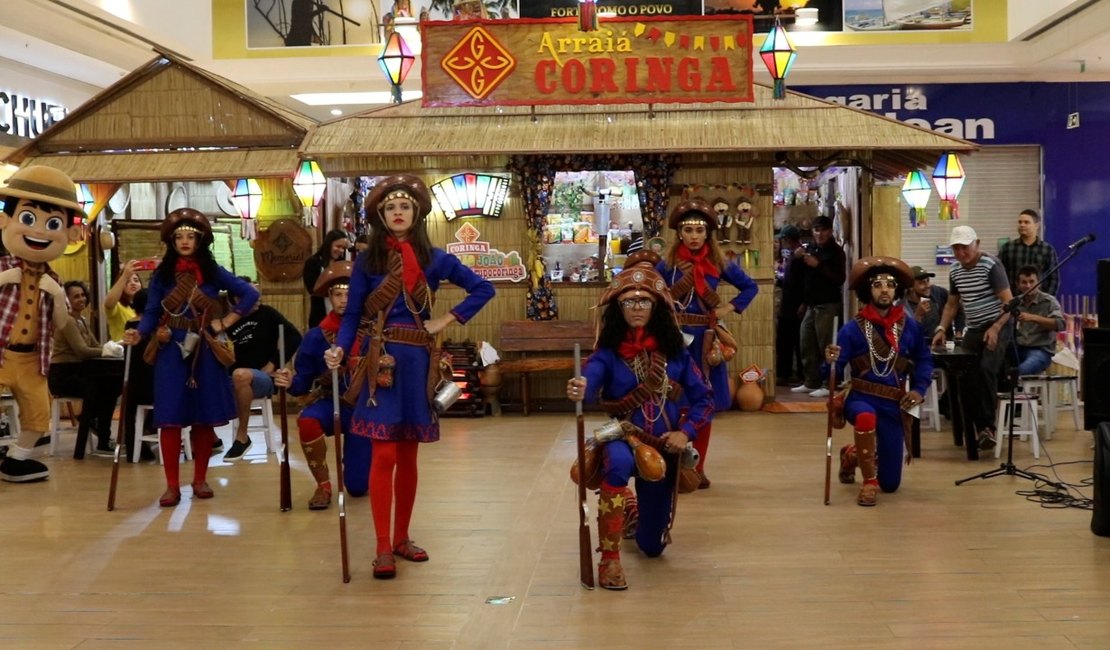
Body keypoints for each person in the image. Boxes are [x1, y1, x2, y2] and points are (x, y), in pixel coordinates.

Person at [324, 175, 494, 579]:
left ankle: (402, 537)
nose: (397, 213)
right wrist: (341, 350)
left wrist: (446, 320)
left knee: (408, 455)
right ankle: (383, 546)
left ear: (416, 214)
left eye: (404, 207)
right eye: (389, 209)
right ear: (381, 217)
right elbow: (352, 315)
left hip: (418, 361)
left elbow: (482, 289)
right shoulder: (368, 262)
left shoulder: (436, 258)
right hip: (380, 361)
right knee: (383, 454)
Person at [567, 251, 714, 589]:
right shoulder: (607, 351)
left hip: (663, 448)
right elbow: (590, 380)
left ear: (656, 308)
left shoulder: (676, 352)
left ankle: (633, 513)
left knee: (652, 547)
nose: (636, 307)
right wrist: (581, 386)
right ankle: (610, 560)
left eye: (643, 301)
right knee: (616, 465)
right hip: (622, 436)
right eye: (629, 301)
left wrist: (686, 432)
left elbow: (705, 398)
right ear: (619, 309)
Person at [123, 208, 260, 507]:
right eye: (179, 236)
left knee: (202, 419)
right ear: (171, 241)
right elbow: (151, 312)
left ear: (200, 240)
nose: (185, 241)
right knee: (170, 419)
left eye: (191, 236)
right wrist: (141, 334)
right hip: (170, 348)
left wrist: (225, 322)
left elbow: (249, 294)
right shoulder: (162, 275)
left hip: (204, 350)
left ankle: (200, 479)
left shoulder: (212, 271)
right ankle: (171, 486)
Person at [656, 199, 757, 489]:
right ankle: (674, 465)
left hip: (704, 341)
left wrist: (729, 308)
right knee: (673, 400)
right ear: (680, 233)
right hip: (674, 341)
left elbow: (750, 286)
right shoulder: (668, 265)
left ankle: (697, 467)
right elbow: (652, 291)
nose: (694, 235)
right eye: (688, 230)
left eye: (700, 230)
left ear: (708, 233)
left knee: (703, 404)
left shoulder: (719, 263)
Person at [0, 165, 85, 483]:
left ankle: (16, 461)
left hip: (33, 359)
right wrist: (4, 279)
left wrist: (58, 293)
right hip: (1, 351)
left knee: (37, 417)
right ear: (4, 221)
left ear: (70, 234)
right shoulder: (3, 266)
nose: (40, 231)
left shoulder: (54, 279)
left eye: (53, 224)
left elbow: (62, 322)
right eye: (27, 218)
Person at [825, 257, 933, 506]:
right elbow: (833, 372)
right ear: (868, 290)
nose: (884, 289)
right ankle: (868, 484)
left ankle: (852, 455)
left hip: (894, 405)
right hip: (861, 399)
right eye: (877, 284)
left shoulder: (910, 327)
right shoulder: (851, 329)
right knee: (865, 418)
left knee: (892, 484)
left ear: (897, 290)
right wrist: (830, 360)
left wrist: (918, 390)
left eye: (890, 284)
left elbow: (925, 359)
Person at [274, 260, 370, 509]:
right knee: (307, 420)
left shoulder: (374, 332)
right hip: (330, 402)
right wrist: (289, 381)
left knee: (357, 488)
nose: (344, 300)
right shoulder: (316, 336)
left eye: (350, 294)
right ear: (329, 297)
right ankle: (323, 486)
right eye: (338, 294)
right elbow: (302, 384)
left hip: (365, 410)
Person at [931, 225, 1014, 450]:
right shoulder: (955, 271)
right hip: (975, 328)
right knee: (963, 372)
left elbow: (1009, 303)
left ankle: (989, 427)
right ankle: (969, 425)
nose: (960, 253)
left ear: (976, 244)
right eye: (956, 248)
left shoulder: (991, 266)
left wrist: (996, 328)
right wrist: (941, 328)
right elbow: (951, 304)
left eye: (965, 247)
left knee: (987, 369)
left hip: (999, 323)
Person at [223, 277, 302, 460]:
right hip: (233, 378)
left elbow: (294, 337)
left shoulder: (268, 314)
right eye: (252, 294)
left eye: (257, 292)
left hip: (263, 377)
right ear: (237, 299)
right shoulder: (229, 322)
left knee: (240, 375)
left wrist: (274, 363)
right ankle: (208, 440)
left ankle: (242, 438)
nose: (257, 297)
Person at [47, 280, 125, 457]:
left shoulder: (81, 320)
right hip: (63, 375)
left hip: (81, 372)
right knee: (100, 387)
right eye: (75, 296)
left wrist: (112, 347)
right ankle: (93, 426)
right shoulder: (67, 320)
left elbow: (95, 346)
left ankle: (95, 424)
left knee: (114, 384)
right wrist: (107, 350)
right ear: (66, 300)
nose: (81, 299)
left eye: (82, 295)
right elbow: (82, 351)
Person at [792, 215, 846, 398]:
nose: (820, 233)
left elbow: (840, 279)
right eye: (816, 230)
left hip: (828, 305)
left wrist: (819, 265)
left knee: (827, 346)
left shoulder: (836, 252)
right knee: (806, 343)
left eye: (823, 230)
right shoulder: (812, 249)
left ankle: (829, 383)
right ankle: (811, 381)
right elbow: (807, 280)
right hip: (811, 305)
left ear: (830, 231)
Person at [1012, 265, 1065, 376]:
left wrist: (1033, 318)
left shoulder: (1049, 301)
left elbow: (1060, 324)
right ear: (1018, 285)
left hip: (1041, 350)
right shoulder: (1015, 302)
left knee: (1021, 371)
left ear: (1039, 283)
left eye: (1032, 282)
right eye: (1024, 282)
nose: (1028, 286)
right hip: (1017, 349)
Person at [997, 209, 1059, 296]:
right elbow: (998, 275)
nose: (1022, 225)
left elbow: (1054, 279)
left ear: (1037, 225)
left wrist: (1046, 301)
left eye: (1026, 222)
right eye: (1020, 222)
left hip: (1039, 304)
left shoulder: (1047, 250)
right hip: (1013, 302)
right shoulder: (1007, 248)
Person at [775, 224, 806, 386]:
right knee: (785, 342)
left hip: (796, 306)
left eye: (783, 239)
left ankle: (799, 375)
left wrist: (804, 303)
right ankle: (785, 374)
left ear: (787, 240)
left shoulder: (801, 256)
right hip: (787, 305)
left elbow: (805, 283)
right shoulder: (793, 256)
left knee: (796, 342)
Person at [303, 229, 350, 328]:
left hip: (341, 315)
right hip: (320, 314)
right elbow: (312, 289)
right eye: (338, 246)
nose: (341, 250)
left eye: (343, 248)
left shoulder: (342, 265)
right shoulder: (313, 263)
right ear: (329, 244)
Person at [904, 265, 964, 339]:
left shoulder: (938, 292)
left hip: (943, 344)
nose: (928, 285)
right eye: (921, 283)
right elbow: (906, 335)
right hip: (919, 346)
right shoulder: (903, 306)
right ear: (911, 286)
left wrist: (958, 333)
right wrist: (918, 315)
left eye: (928, 280)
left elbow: (957, 307)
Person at [103, 260, 143, 341]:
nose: (133, 283)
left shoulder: (145, 307)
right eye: (128, 281)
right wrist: (125, 276)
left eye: (136, 280)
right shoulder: (118, 306)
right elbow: (108, 304)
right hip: (122, 351)